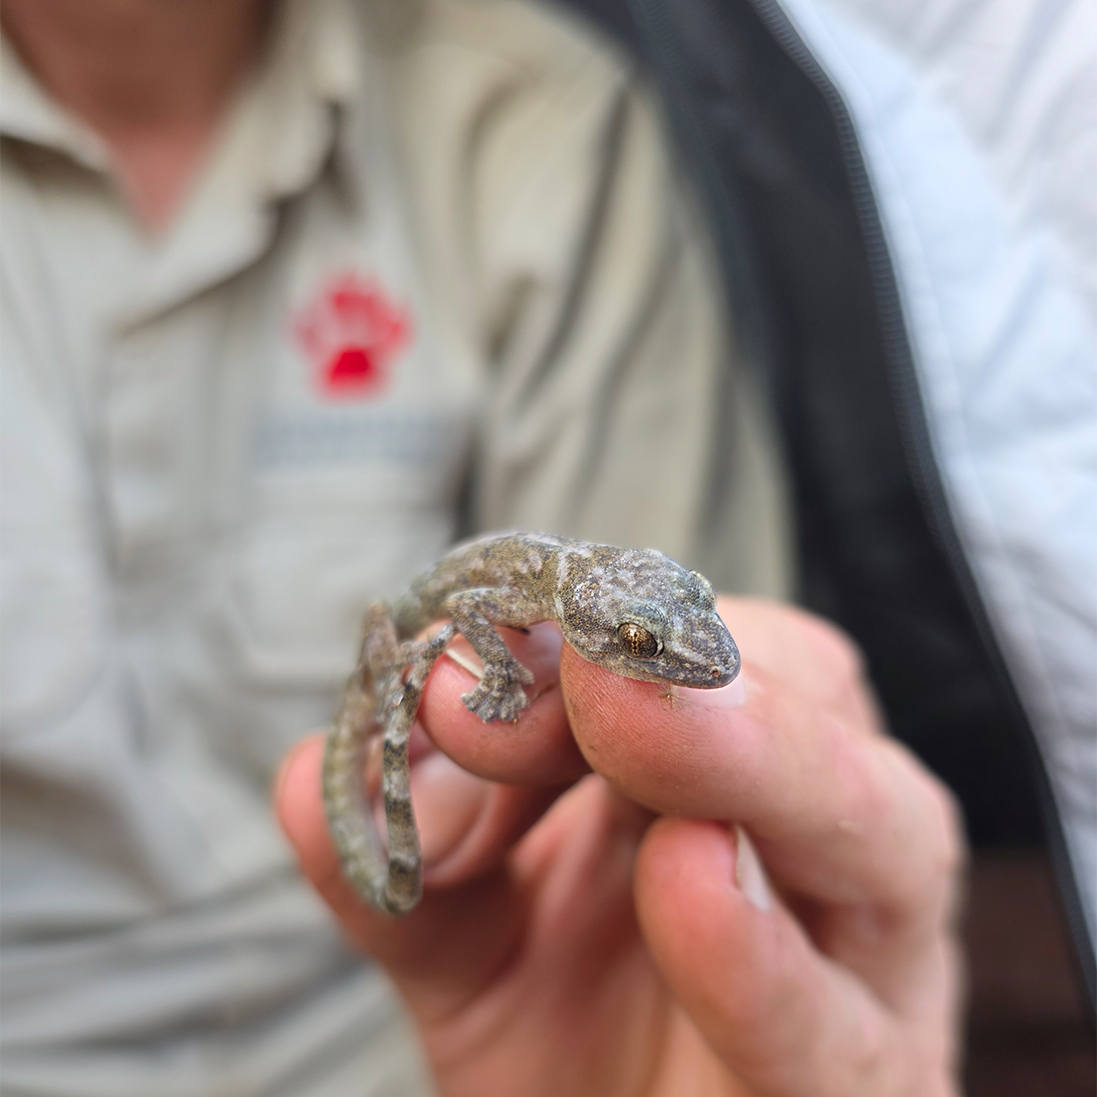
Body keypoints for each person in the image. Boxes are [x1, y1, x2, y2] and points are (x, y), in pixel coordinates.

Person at [0, 0, 788, 1094]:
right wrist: (495, 684)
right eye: (651, 638)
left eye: (662, 623)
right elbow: (455, 620)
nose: (673, 651)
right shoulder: (519, 596)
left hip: (433, 1038)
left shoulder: (529, 115)